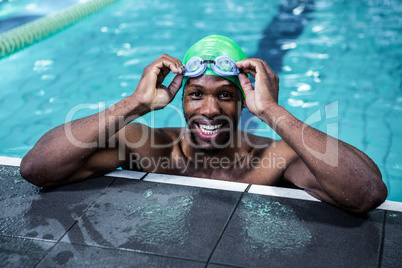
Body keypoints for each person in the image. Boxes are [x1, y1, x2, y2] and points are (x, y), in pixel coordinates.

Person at [20, 35, 387, 213]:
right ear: (181, 100)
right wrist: (134, 104)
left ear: (243, 102)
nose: (209, 109)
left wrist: (273, 112)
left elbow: (367, 192)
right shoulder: (148, 146)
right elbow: (37, 168)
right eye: (196, 94)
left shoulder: (271, 159)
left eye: (225, 95)